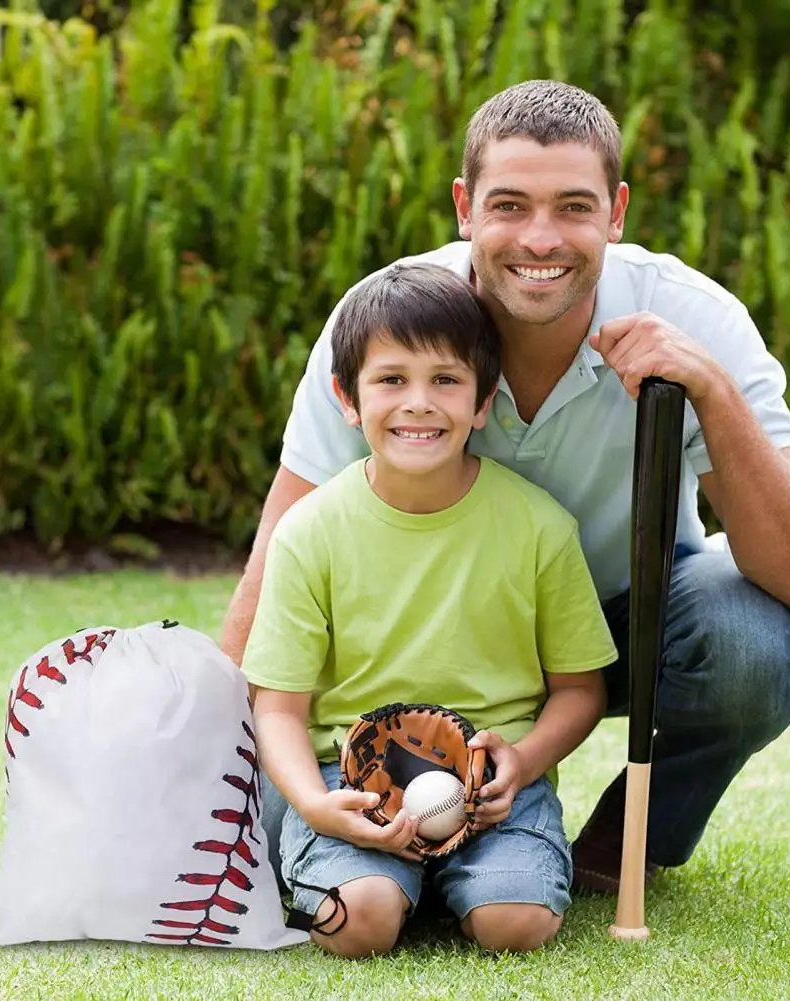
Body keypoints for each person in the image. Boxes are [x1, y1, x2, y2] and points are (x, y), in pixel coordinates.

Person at [224, 79, 790, 894]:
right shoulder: (387, 322)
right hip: (403, 659)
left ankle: (620, 844)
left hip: (623, 631)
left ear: (615, 213)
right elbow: (281, 545)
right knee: (263, 834)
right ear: (463, 207)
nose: (539, 239)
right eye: (508, 204)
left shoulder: (693, 315)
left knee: (750, 642)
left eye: (573, 207)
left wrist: (712, 393)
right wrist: (216, 762)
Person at [242, 261, 618, 957]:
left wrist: (525, 760)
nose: (418, 402)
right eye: (390, 380)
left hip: (493, 785)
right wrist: (316, 805)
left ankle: (466, 882)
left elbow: (579, 689)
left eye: (445, 380)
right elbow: (279, 707)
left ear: (483, 401)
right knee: (359, 925)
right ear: (346, 398)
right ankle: (375, 877)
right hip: (345, 780)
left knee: (517, 926)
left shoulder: (538, 526)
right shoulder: (309, 531)